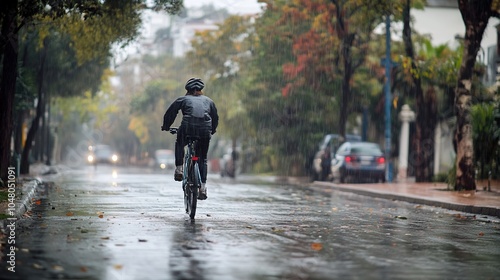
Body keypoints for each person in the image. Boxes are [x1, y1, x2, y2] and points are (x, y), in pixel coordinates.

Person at [161, 78, 219, 200]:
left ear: (187, 90)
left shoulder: (182, 99)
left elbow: (170, 113)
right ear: (201, 90)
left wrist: (166, 126)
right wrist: (212, 130)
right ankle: (202, 187)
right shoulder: (209, 101)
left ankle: (179, 169)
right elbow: (215, 118)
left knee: (180, 143)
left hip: (187, 128)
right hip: (205, 131)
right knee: (202, 158)